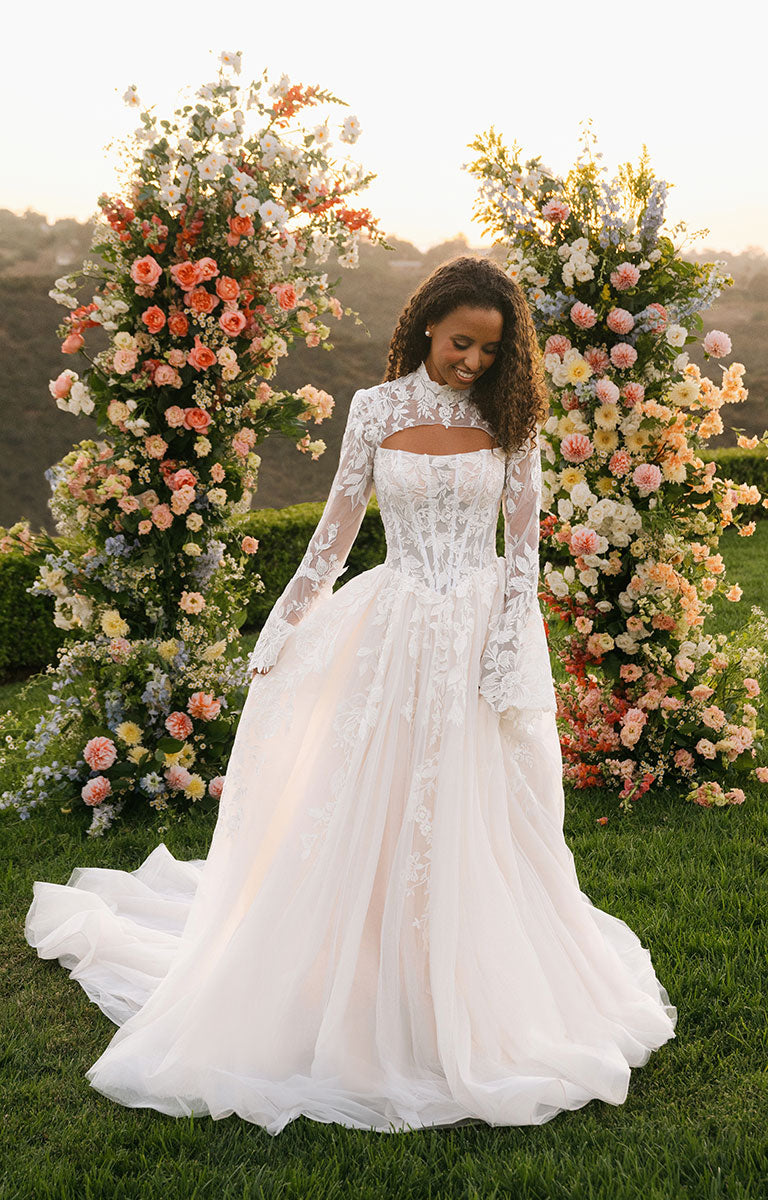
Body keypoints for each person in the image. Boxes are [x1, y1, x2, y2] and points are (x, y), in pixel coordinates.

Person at [25, 255, 677, 1136]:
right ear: (423, 329)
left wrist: (507, 650)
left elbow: (522, 551)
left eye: (490, 350)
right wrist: (285, 622)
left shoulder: (510, 417)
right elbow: (335, 533)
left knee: (473, 809)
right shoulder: (375, 411)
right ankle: (370, 967)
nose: (473, 364)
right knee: (376, 799)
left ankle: (467, 976)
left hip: (479, 627)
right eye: (460, 344)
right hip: (396, 625)